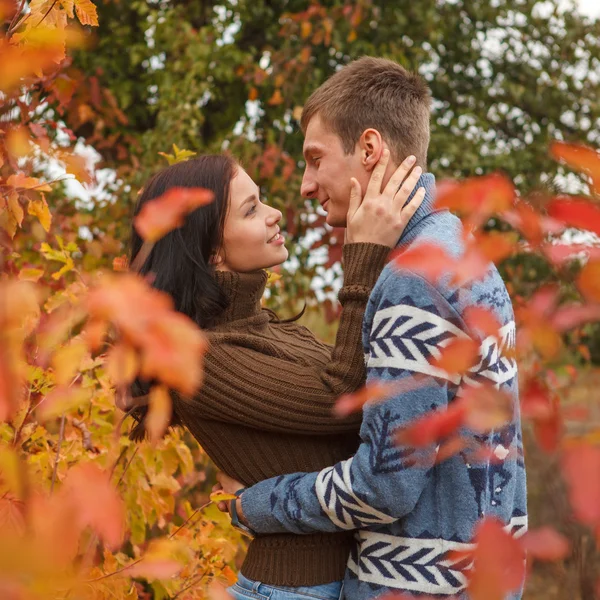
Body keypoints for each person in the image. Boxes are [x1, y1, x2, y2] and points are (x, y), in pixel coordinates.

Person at [215, 57, 528, 600]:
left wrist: (253, 505)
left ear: (368, 149)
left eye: (315, 160)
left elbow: (385, 485)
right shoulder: (460, 248)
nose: (307, 186)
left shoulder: (412, 279)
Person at [125, 153, 425, 598]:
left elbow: (373, 385)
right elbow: (346, 396)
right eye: (251, 210)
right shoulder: (203, 361)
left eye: (261, 200)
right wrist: (363, 257)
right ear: (213, 251)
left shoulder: (269, 329)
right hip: (292, 589)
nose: (274, 214)